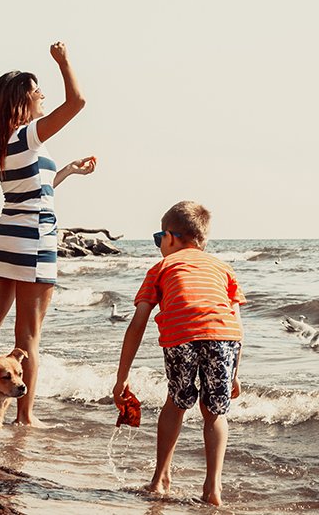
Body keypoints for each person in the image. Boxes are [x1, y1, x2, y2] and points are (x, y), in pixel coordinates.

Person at [0, 41, 96, 426]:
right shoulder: (27, 134)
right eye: (37, 90)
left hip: (10, 231)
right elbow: (77, 102)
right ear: (23, 99)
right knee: (29, 334)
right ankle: (25, 417)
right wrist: (65, 62)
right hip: (34, 237)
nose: (43, 95)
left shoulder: (2, 140)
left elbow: (32, 191)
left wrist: (68, 172)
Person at [113, 201, 245, 505]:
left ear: (170, 237)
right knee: (215, 412)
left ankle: (159, 479)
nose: (159, 245)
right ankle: (213, 489)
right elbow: (237, 327)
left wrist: (122, 379)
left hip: (180, 336)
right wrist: (235, 374)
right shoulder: (224, 269)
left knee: (176, 401)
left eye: (158, 238)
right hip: (223, 337)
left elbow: (137, 324)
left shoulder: (161, 268)